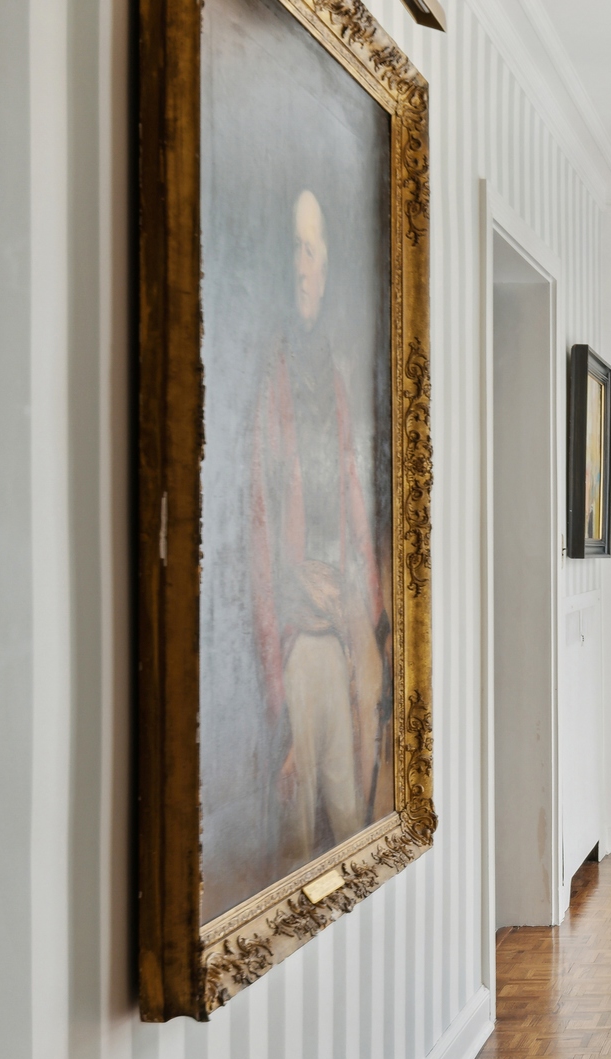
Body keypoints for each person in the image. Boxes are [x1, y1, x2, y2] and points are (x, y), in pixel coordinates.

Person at [250, 189, 391, 867]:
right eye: (297, 249)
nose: (305, 265)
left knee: (352, 815)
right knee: (300, 830)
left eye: (315, 250)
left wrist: (365, 618)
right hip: (298, 638)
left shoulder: (333, 379)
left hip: (342, 629)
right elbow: (248, 526)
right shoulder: (266, 376)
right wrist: (293, 596)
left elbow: (355, 503)